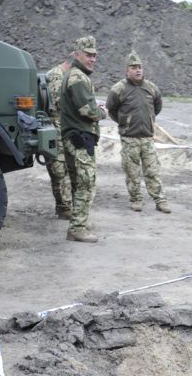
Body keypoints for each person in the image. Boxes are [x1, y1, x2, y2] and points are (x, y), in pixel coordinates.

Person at [106, 52, 170, 214]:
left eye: (140, 67)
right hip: (129, 139)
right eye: (133, 67)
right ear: (127, 70)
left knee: (153, 171)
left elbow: (157, 107)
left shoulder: (151, 88)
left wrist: (148, 120)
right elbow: (112, 110)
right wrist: (125, 122)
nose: (137, 70)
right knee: (132, 172)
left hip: (147, 138)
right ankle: (136, 199)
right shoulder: (119, 89)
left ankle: (160, 200)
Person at [60, 35, 107, 243]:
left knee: (78, 182)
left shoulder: (74, 75)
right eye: (88, 55)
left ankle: (80, 221)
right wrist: (102, 112)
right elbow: (87, 110)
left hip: (74, 135)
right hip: (80, 136)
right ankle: (77, 228)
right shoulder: (78, 78)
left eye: (95, 55)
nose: (92, 59)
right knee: (87, 182)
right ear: (76, 54)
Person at [45, 56, 73, 219]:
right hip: (56, 130)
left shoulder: (62, 75)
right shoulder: (56, 76)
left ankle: (65, 206)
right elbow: (59, 104)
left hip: (63, 128)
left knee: (65, 169)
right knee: (59, 169)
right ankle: (64, 207)